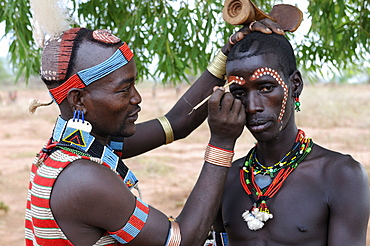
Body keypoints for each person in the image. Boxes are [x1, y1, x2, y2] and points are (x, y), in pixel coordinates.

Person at [25, 21, 284, 245]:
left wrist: (226, 55)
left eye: (134, 84)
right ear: (79, 100)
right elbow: (183, 240)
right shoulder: (83, 178)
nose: (137, 98)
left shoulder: (80, 146)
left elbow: (176, 123)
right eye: (124, 90)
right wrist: (222, 142)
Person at [211, 32, 370, 245]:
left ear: (295, 85)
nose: (252, 106)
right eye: (239, 92)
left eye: (266, 88)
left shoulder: (340, 175)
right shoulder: (226, 178)